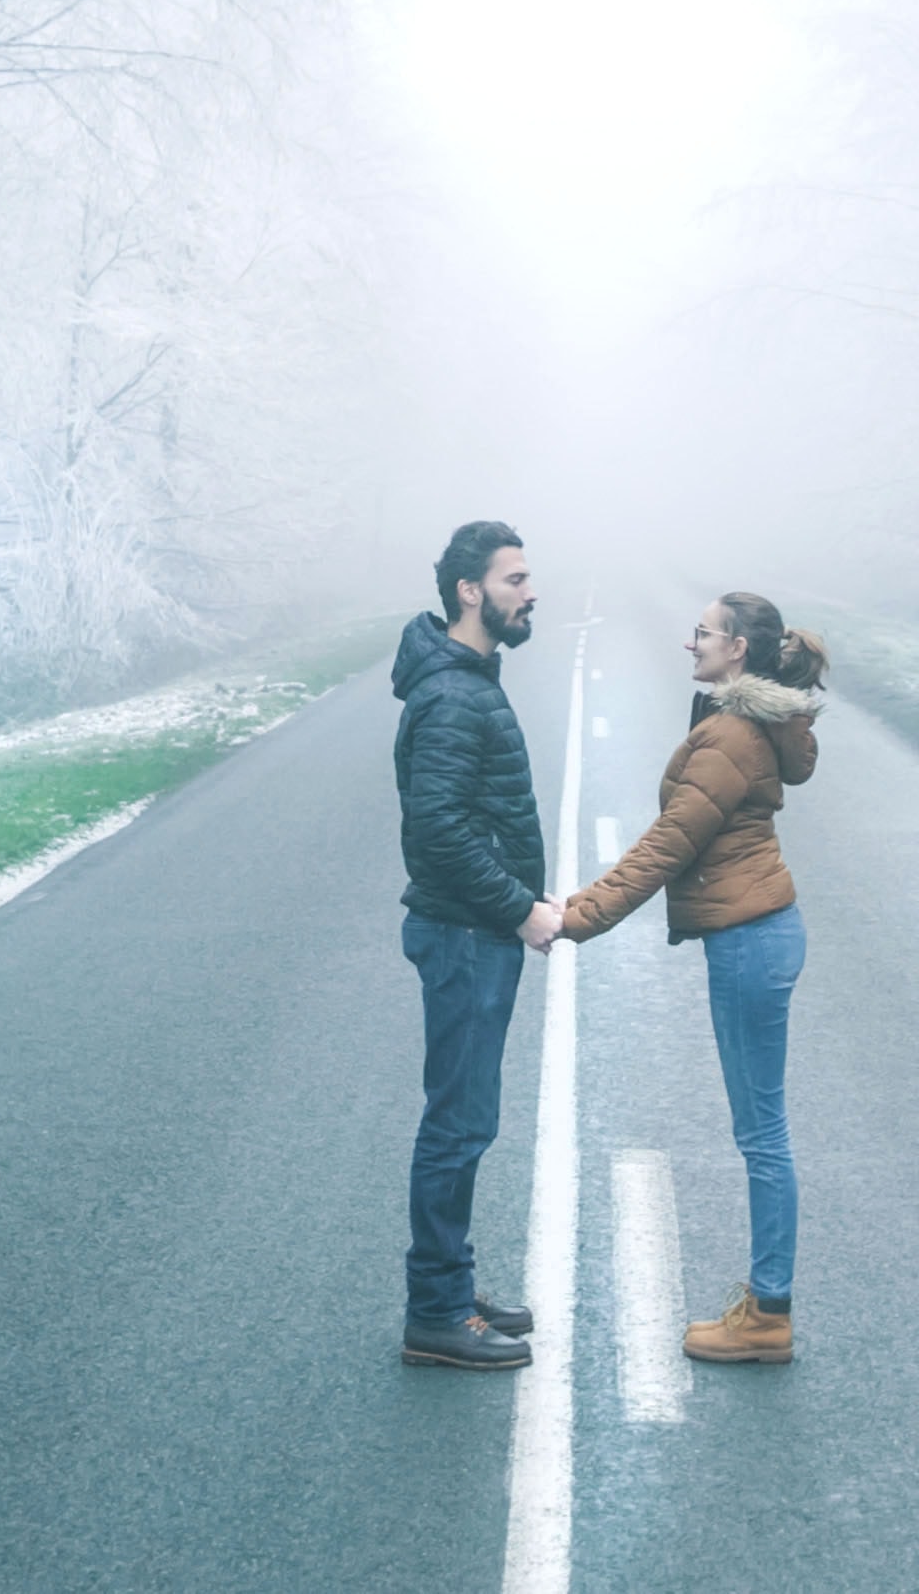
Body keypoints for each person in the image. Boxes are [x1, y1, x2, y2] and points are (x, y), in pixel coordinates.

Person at [555, 591, 824, 1366]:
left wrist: (577, 914)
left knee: (762, 1134)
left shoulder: (732, 735)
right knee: (762, 1130)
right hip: (761, 930)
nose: (689, 643)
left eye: (703, 633)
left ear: (737, 649)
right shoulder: (743, 722)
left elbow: (667, 843)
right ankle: (765, 1303)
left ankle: (767, 1313)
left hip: (749, 938)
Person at [390, 520, 565, 1370]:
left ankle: (450, 1286)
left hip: (473, 929)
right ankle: (435, 1312)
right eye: (515, 579)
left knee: (466, 1120)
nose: (531, 593)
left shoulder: (466, 680)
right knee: (457, 1125)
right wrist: (521, 907)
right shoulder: (456, 695)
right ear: (470, 590)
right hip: (465, 933)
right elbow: (440, 833)